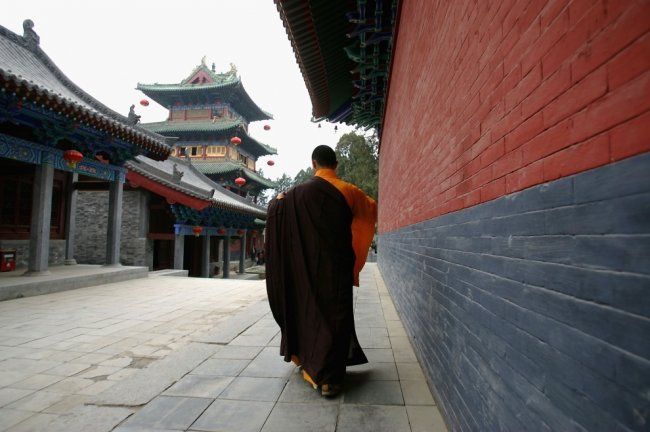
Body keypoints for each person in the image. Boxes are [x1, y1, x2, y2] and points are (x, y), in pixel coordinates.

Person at [265, 145, 377, 397]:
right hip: (336, 268)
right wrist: (356, 256)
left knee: (309, 314)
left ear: (314, 164)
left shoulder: (294, 194)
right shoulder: (349, 191)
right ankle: (330, 379)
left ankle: (310, 363)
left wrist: (276, 204)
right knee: (336, 317)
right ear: (335, 164)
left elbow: (275, 211)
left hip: (305, 268)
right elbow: (369, 212)